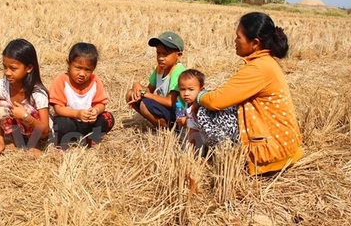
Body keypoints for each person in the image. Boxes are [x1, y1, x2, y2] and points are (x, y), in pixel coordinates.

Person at [197, 12, 304, 175]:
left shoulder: (259, 68)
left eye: (238, 37)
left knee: (204, 111)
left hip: (273, 150)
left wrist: (198, 96)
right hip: (284, 145)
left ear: (255, 43)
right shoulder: (266, 63)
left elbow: (215, 101)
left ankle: (229, 159)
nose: (235, 41)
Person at [0, 38, 50, 157]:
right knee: (0, 108)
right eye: (5, 67)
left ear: (29, 68)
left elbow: (45, 129)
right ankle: (16, 140)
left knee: (28, 109)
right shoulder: (2, 86)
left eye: (13, 68)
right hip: (18, 129)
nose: (7, 72)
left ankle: (34, 144)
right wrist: (0, 142)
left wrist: (25, 116)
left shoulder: (38, 93)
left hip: (37, 131)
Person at [49, 42, 115, 148]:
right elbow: (58, 108)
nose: (82, 74)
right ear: (68, 64)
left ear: (93, 69)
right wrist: (77, 114)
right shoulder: (61, 80)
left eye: (87, 70)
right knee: (61, 124)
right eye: (78, 68)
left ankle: (92, 138)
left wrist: (96, 111)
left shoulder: (95, 81)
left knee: (108, 118)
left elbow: (101, 104)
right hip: (70, 122)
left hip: (89, 124)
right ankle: (63, 142)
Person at [126, 31, 185, 128]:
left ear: (178, 55)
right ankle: (159, 123)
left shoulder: (178, 72)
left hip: (178, 113)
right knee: (130, 94)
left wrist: (145, 94)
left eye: (165, 54)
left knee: (144, 105)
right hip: (165, 108)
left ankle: (168, 127)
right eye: (158, 53)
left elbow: (170, 102)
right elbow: (149, 89)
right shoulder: (160, 68)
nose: (160, 58)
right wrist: (137, 85)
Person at [176, 69, 239, 151]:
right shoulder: (185, 104)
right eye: (182, 89)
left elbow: (202, 124)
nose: (186, 94)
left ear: (201, 90)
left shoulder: (202, 106)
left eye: (191, 89)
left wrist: (187, 122)